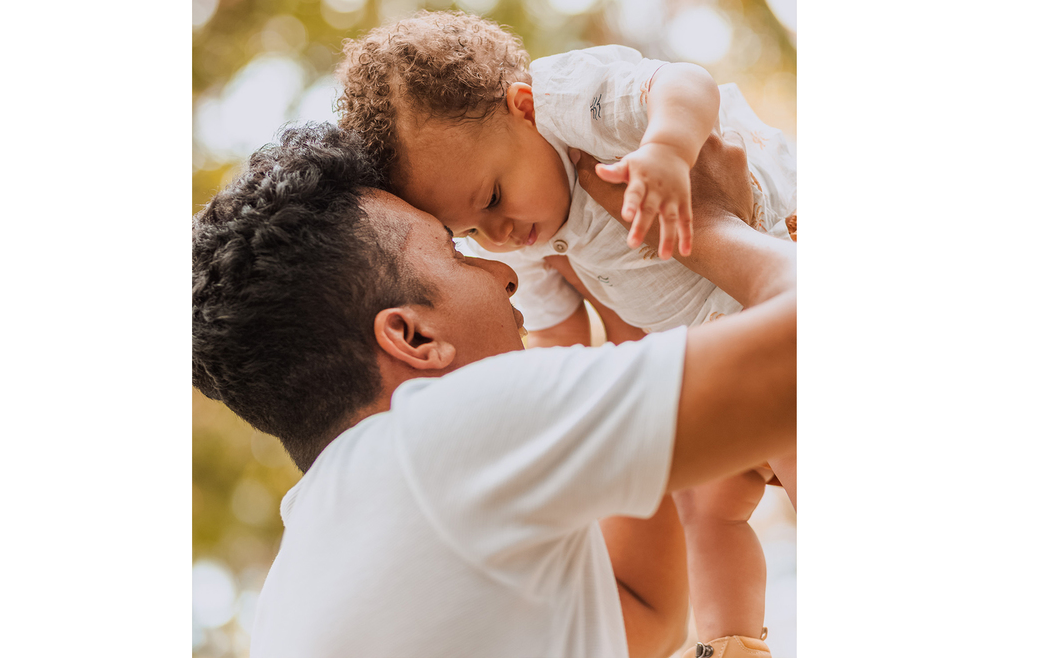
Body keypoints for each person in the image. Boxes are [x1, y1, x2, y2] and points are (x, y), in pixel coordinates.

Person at [192, 121, 795, 658]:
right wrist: (711, 225)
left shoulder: (304, 574)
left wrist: (618, 328)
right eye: (456, 253)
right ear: (411, 335)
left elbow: (639, 614)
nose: (505, 273)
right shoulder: (432, 438)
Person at [334, 11, 797, 650]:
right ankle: (733, 640)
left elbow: (686, 83)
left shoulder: (572, 104)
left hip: (775, 244)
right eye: (468, 231)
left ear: (522, 109)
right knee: (703, 503)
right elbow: (562, 348)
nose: (496, 236)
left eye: (493, 198)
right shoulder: (529, 243)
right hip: (711, 337)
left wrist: (666, 149)